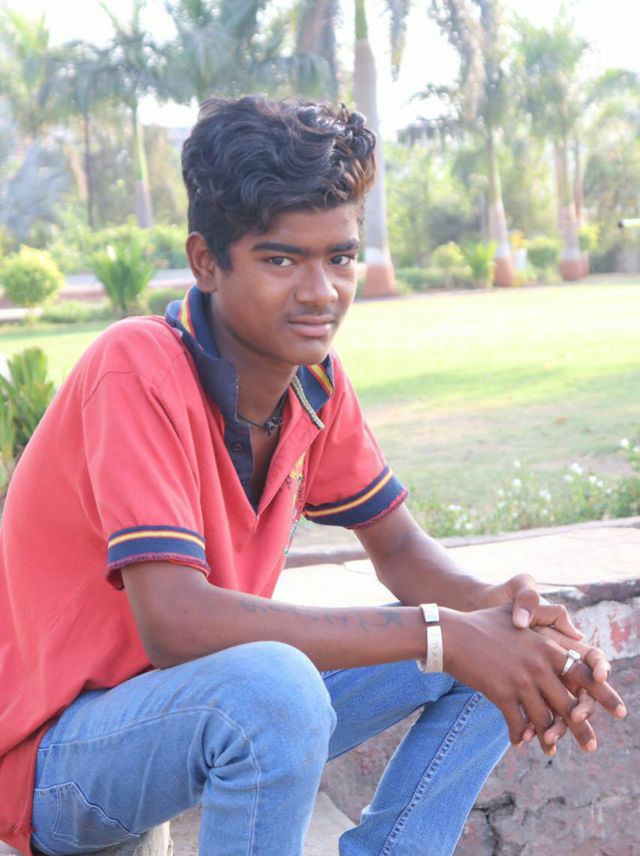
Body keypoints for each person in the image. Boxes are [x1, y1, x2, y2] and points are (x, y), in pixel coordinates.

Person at [0, 96, 626, 856]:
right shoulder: (137, 367)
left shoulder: (315, 384)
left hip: (198, 718)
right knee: (282, 687)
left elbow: (400, 549)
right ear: (206, 262)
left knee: (499, 653)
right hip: (60, 760)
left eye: (340, 257)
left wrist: (508, 616)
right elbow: (175, 625)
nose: (321, 291)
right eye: (281, 260)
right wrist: (443, 631)